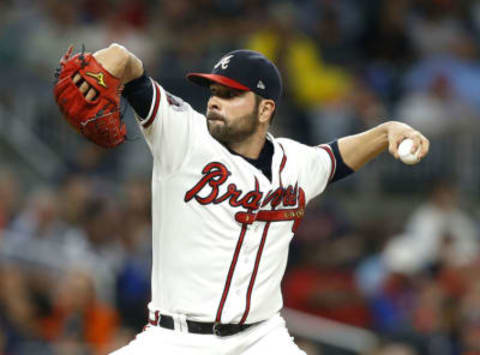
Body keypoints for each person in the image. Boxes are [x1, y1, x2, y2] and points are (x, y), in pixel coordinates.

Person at [73, 43, 429, 355]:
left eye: (230, 94)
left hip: (261, 339)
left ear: (265, 109)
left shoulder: (295, 162)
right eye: (213, 91)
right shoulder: (182, 133)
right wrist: (115, 56)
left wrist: (386, 132)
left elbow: (336, 158)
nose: (214, 101)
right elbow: (134, 75)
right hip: (175, 339)